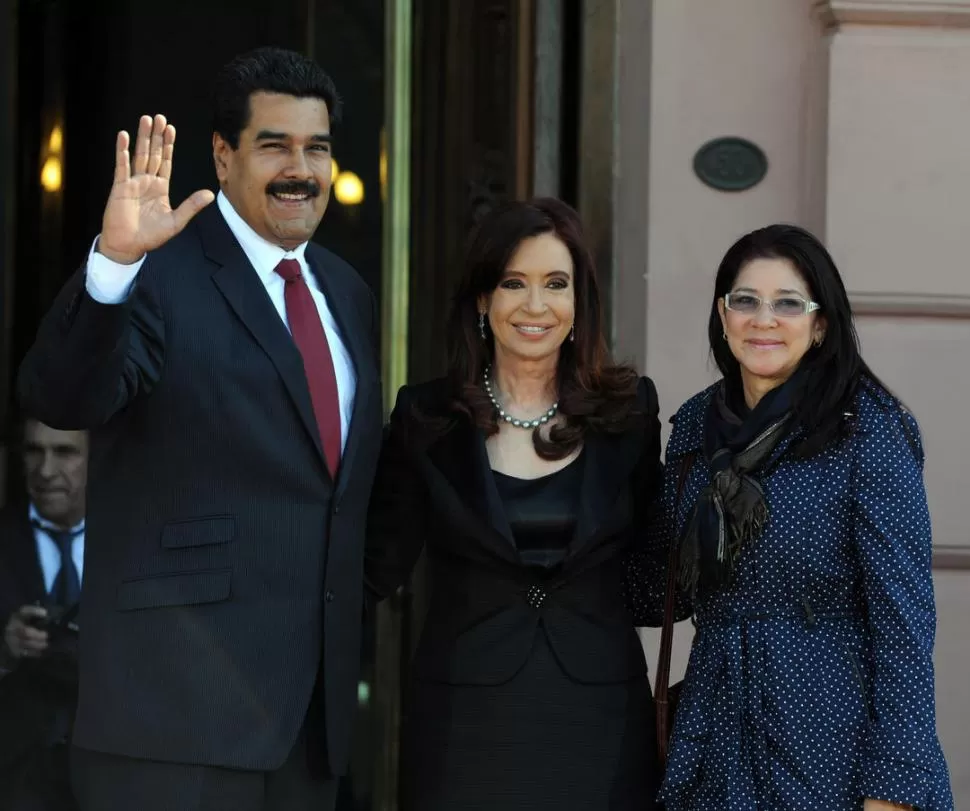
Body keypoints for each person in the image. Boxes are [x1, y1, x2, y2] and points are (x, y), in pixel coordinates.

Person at [16, 47, 383, 811]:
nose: (300, 168)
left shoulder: (344, 293)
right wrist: (113, 263)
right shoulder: (159, 271)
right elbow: (64, 395)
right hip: (171, 723)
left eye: (315, 147)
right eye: (273, 144)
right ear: (223, 155)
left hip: (307, 732)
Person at [365, 198, 669, 810]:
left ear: (579, 301)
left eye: (556, 284)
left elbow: (658, 569)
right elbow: (373, 565)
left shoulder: (628, 414)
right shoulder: (426, 417)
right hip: (464, 723)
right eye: (514, 284)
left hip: (600, 718)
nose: (536, 306)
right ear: (483, 300)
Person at [652, 224, 953, 810]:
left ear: (819, 324)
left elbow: (904, 617)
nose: (764, 319)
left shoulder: (866, 425)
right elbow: (660, 584)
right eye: (746, 301)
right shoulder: (695, 425)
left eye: (788, 303)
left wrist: (893, 784)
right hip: (715, 736)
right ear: (722, 314)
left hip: (829, 734)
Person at [0, 419, 88, 810]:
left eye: (64, 452)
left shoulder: (133, 544)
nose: (46, 470)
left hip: (113, 772)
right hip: (17, 773)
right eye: (34, 451)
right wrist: (5, 647)